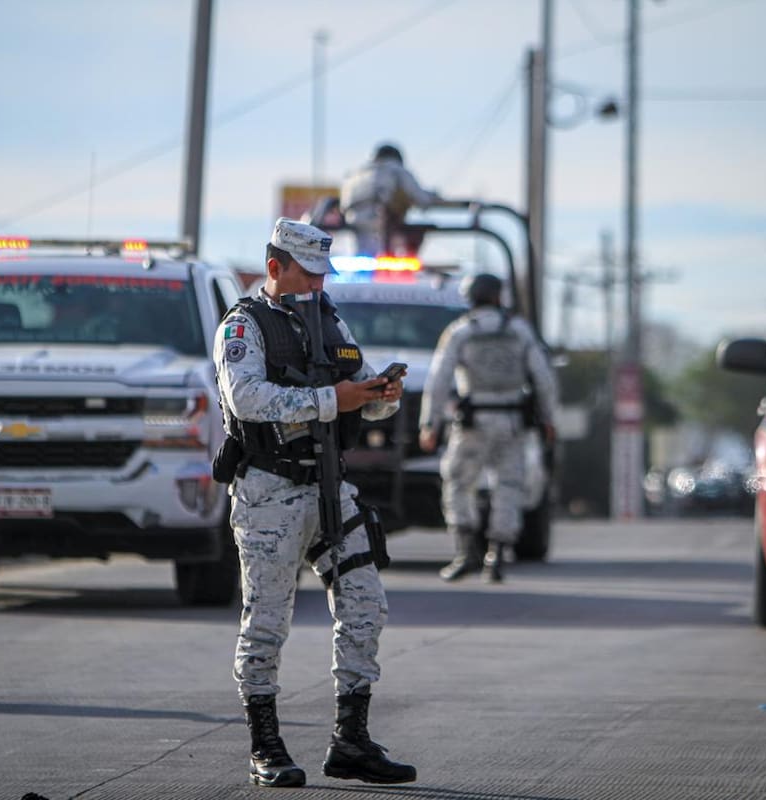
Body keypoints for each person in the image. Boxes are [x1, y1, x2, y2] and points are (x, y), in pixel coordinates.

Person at [213, 217, 418, 788]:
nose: (318, 285)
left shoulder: (327, 318)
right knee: (268, 621)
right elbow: (247, 397)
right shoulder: (242, 325)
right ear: (275, 268)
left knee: (364, 605)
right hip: (269, 493)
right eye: (308, 273)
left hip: (329, 485)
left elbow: (364, 388)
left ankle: (351, 740)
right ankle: (265, 746)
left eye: (323, 274)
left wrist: (381, 396)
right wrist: (334, 399)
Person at [417, 272, 557, 583]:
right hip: (512, 423)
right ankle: (496, 554)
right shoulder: (519, 331)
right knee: (509, 485)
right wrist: (548, 419)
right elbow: (544, 379)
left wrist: (430, 423)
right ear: (497, 296)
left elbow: (438, 380)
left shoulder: (461, 332)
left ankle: (466, 551)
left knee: (456, 481)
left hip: (473, 423)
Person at [339, 142, 441, 256]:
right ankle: (405, 259)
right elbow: (422, 199)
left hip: (353, 224)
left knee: (365, 257)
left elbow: (343, 206)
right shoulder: (395, 169)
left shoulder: (353, 175)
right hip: (380, 222)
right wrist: (435, 197)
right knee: (416, 231)